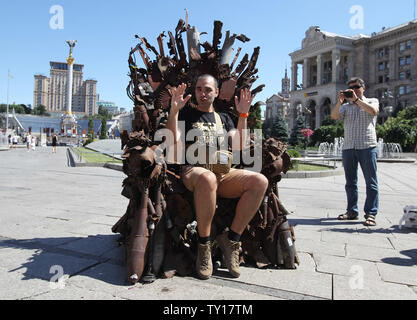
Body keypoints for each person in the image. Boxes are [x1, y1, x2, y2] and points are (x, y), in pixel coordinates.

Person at [166, 74, 268, 279]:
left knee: (259, 181)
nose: (203, 94)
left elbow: (239, 145)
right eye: (199, 89)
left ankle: (231, 239)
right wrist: (174, 111)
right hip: (194, 172)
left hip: (222, 173)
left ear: (217, 92)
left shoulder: (224, 118)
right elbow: (171, 141)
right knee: (207, 178)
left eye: (208, 90)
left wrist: (243, 116)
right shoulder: (186, 113)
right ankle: (204, 245)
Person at [331, 77, 380, 227]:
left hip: (367, 146)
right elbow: (334, 116)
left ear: (363, 88)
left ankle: (371, 213)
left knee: (371, 182)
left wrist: (357, 100)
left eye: (356, 87)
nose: (353, 90)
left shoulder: (372, 101)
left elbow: (374, 111)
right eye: (350, 89)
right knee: (350, 182)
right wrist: (340, 101)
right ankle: (352, 211)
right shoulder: (345, 107)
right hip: (349, 147)